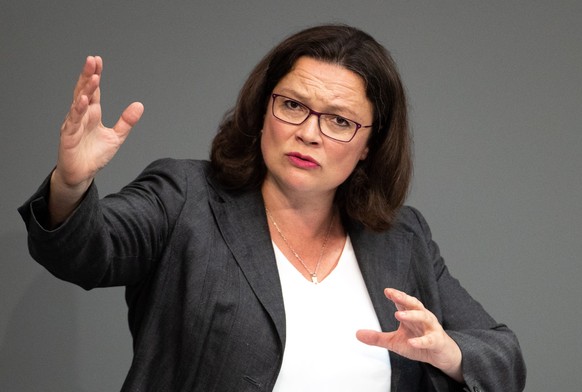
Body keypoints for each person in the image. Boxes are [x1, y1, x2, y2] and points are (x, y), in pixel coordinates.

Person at [19, 24, 526, 391]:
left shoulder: (401, 238)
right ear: (264, 108)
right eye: (293, 105)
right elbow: (88, 251)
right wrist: (71, 182)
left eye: (340, 121)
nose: (309, 132)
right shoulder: (186, 196)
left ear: (370, 144)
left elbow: (504, 357)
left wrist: (449, 353)